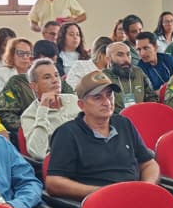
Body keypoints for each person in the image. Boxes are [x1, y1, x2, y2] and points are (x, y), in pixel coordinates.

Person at [45, 71, 160, 200]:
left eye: (109, 95)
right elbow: (53, 182)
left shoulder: (123, 123)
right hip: (99, 202)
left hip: (135, 196)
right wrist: (102, 192)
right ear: (81, 105)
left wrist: (147, 187)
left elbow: (149, 164)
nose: (106, 102)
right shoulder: (68, 133)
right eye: (97, 97)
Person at [0, 39, 74, 133]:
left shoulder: (60, 82)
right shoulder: (16, 83)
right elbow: (4, 113)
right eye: (47, 77)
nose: (54, 80)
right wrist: (29, 124)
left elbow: (74, 104)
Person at [19, 59, 79, 158]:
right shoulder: (29, 115)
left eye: (56, 75)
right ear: (34, 86)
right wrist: (43, 110)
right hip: (64, 162)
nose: (55, 80)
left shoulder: (74, 100)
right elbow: (37, 153)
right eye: (47, 77)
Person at [0, 38, 35, 104]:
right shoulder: (1, 73)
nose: (25, 57)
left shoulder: (36, 73)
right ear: (12, 54)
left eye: (28, 53)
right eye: (21, 53)